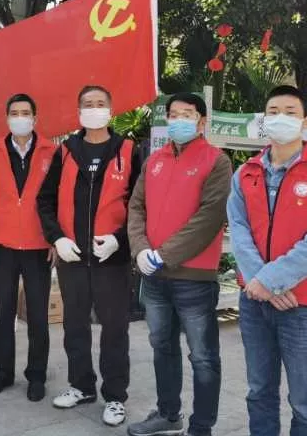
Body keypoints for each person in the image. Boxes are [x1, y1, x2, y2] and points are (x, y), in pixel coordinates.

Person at [228, 85, 307, 436]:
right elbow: (239, 231)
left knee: (305, 403)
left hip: (302, 304)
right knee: (259, 392)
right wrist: (261, 283)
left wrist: (270, 281)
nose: (281, 118)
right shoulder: (244, 173)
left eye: (290, 112)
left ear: (306, 122)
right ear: (264, 120)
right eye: (273, 112)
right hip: (254, 301)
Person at [126, 93, 232, 436]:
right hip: (155, 277)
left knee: (202, 356)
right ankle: (168, 414)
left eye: (187, 114)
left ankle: (201, 427)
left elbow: (210, 216)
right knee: (162, 347)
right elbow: (136, 207)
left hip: (194, 279)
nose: (178, 120)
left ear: (202, 121)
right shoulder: (154, 160)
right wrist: (141, 249)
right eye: (173, 114)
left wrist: (164, 254)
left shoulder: (216, 162)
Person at [37, 85, 140, 427]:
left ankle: (115, 396)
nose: (94, 109)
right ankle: (81, 386)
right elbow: (45, 200)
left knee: (114, 329)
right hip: (74, 258)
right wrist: (57, 238)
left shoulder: (128, 150)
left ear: (110, 109)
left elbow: (141, 206)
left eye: (99, 103)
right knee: (74, 325)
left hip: (112, 259)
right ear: (78, 110)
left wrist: (119, 240)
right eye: (87, 104)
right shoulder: (67, 151)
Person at [0, 93, 57, 402]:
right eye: (15, 113)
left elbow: (58, 200)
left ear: (35, 118)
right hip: (3, 246)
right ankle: (3, 372)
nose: (20, 118)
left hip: (38, 246)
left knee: (37, 316)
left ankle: (36, 375)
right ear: (7, 118)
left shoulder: (51, 152)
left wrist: (55, 238)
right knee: (5, 313)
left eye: (26, 112)